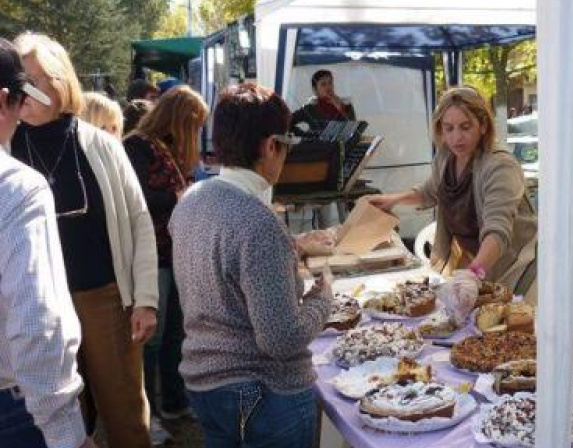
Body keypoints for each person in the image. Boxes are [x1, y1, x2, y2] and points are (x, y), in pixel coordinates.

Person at [10, 32, 158, 448]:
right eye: (25, 80)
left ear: (63, 79)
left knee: (125, 415)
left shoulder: (100, 144)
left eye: (42, 78)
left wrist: (145, 299)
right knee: (63, 421)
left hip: (105, 300)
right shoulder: (7, 148)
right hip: (40, 309)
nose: (33, 90)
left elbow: (139, 219)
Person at [169, 82, 333, 448]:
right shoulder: (258, 222)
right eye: (286, 146)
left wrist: (290, 249)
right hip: (263, 392)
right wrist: (323, 301)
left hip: (205, 385)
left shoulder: (193, 199)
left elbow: (222, 269)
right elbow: (282, 339)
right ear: (270, 145)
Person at [0, 35, 97, 448]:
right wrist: (67, 433)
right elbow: (37, 323)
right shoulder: (16, 187)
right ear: (5, 99)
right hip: (15, 411)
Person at [368, 86, 537, 322]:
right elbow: (429, 192)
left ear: (484, 125)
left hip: (518, 267)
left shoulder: (499, 166)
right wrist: (392, 200)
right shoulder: (446, 157)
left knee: (516, 333)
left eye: (465, 127)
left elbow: (498, 231)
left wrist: (473, 273)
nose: (456, 137)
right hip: (479, 267)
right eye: (449, 128)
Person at [124, 85, 208, 439]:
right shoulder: (137, 146)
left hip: (173, 254)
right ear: (179, 118)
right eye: (196, 125)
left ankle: (174, 401)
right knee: (151, 340)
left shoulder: (168, 148)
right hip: (151, 257)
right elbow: (137, 201)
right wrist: (178, 196)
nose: (198, 134)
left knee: (175, 333)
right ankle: (149, 415)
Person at [290, 69, 356, 133]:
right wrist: (304, 135)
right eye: (323, 84)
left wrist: (340, 108)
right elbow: (287, 121)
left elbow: (353, 129)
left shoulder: (347, 106)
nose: (328, 87)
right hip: (317, 144)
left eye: (330, 83)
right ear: (315, 90)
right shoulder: (310, 109)